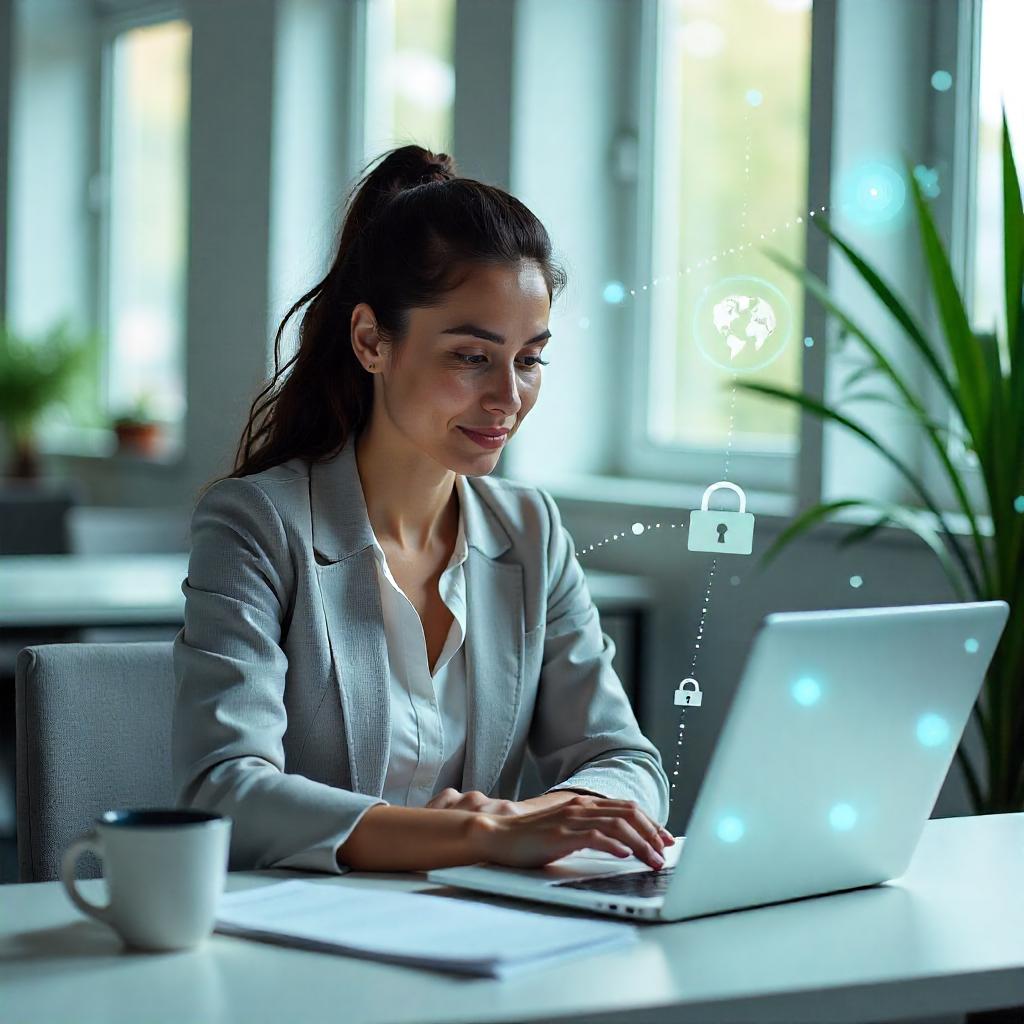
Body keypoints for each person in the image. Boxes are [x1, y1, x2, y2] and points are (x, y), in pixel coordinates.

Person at [172, 145, 672, 875]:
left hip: (477, 939)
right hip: (298, 942)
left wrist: (526, 821)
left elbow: (625, 762)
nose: (508, 397)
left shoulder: (530, 532)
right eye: (472, 356)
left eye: (529, 358)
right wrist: (477, 838)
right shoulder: (256, 523)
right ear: (373, 341)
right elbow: (224, 794)